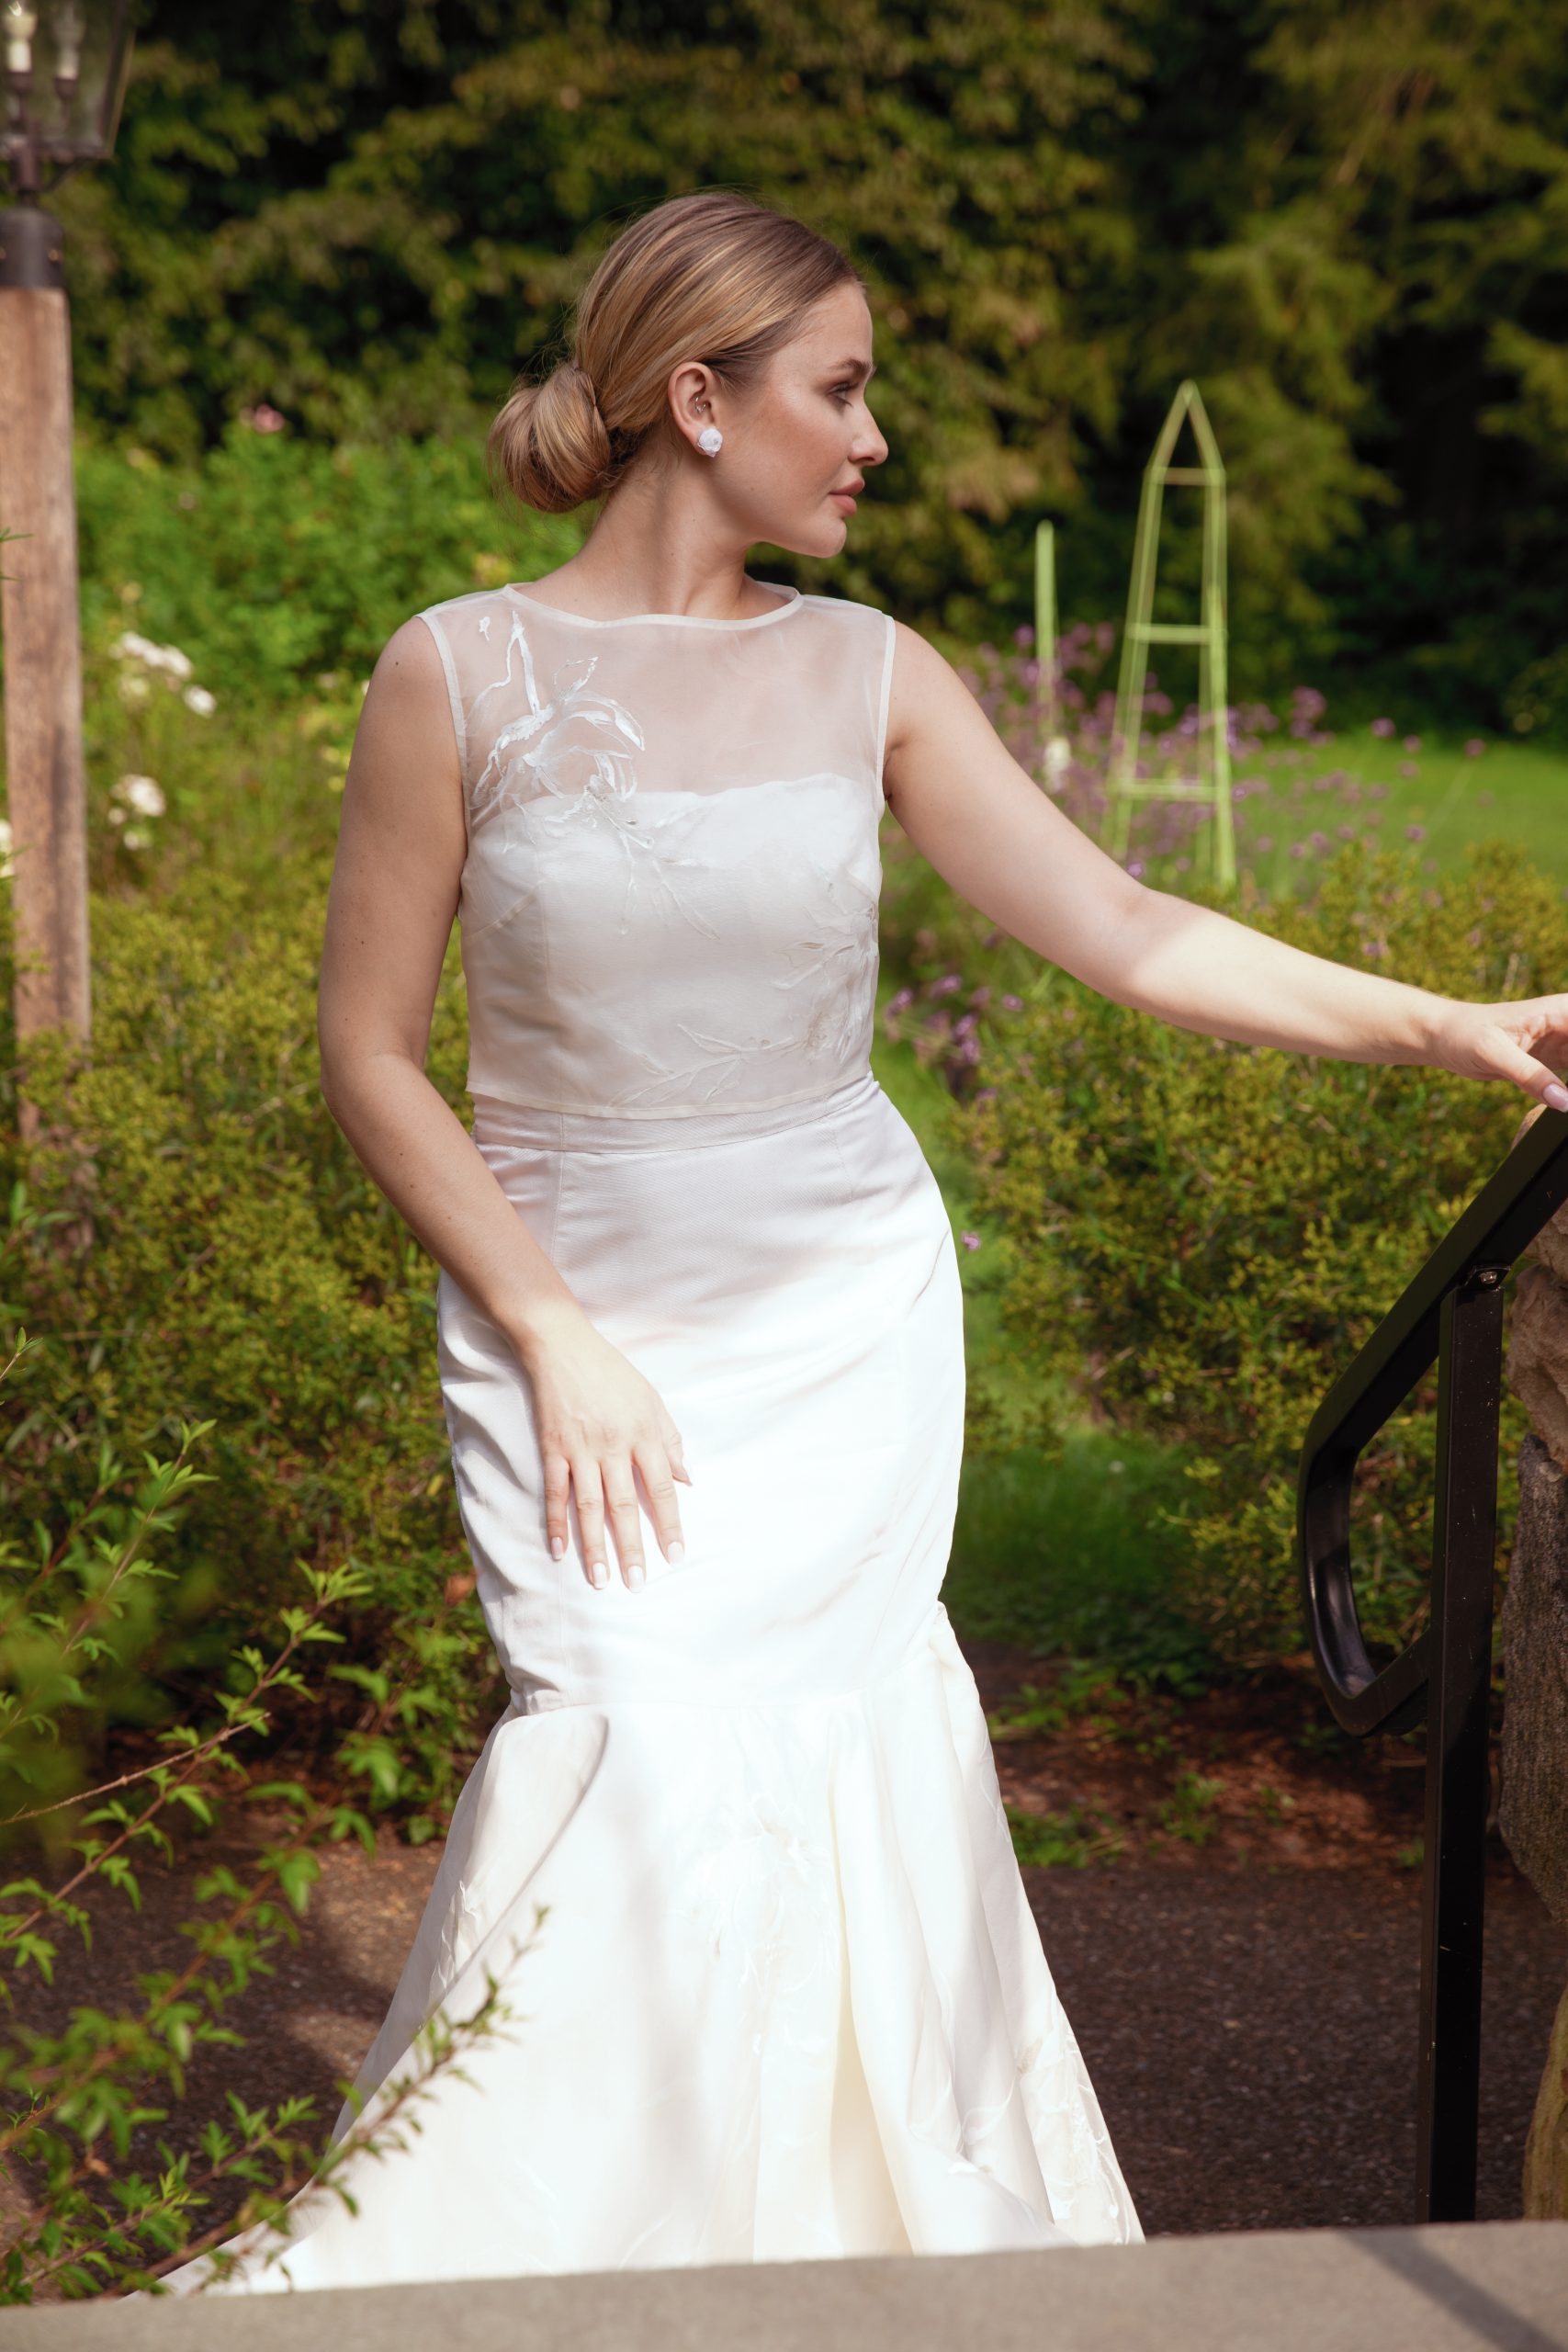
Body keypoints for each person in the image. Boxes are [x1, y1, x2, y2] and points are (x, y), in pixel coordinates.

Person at [140, 188, 1568, 2298]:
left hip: (837, 1306)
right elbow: (369, 1054)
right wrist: (549, 1329)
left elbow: (1122, 926)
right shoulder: (455, 670)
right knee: (626, 1732)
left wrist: (1444, 1024)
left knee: (843, 1742)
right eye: (841, 387)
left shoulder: (868, 671)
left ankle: (832, 2260)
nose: (874, 436)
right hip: (575, 1306)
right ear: (696, 397)